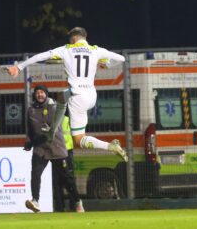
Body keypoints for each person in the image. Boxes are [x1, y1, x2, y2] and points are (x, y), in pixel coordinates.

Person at [7, 27, 128, 162]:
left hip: (78, 98)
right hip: (91, 95)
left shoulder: (66, 49)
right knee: (62, 97)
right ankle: (52, 131)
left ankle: (110, 146)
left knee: (78, 139)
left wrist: (19, 67)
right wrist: (106, 65)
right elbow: (122, 58)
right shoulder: (96, 50)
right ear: (84, 37)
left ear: (73, 38)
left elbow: (40, 56)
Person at [23, 84, 84, 213]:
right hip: (40, 148)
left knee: (67, 178)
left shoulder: (56, 107)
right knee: (35, 174)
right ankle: (35, 200)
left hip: (57, 147)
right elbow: (30, 129)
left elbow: (54, 125)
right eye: (37, 92)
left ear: (46, 94)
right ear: (35, 95)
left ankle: (77, 202)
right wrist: (28, 142)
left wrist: (49, 130)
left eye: (42, 92)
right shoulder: (31, 110)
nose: (40, 94)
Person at [53, 113, 77, 211]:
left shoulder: (51, 119)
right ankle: (73, 205)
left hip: (58, 153)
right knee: (69, 179)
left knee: (58, 181)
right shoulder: (69, 119)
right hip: (66, 152)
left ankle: (60, 207)